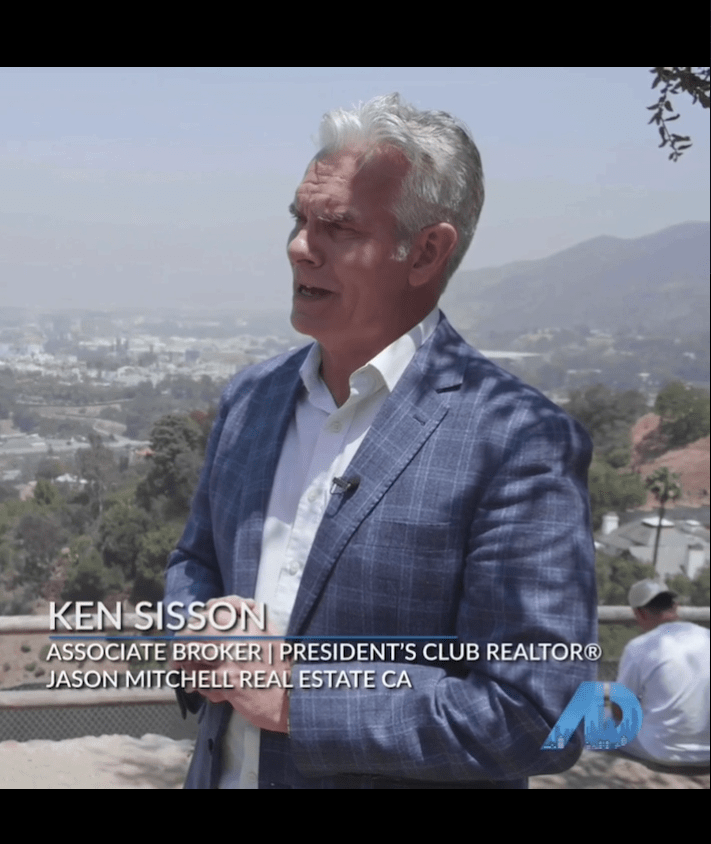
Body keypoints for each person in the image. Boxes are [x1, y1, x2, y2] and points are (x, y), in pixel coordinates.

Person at [165, 94, 597, 788]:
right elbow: (195, 561)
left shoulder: (517, 443)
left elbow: (539, 713)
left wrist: (302, 703)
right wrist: (196, 627)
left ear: (426, 251)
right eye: (299, 220)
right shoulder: (250, 400)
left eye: (336, 227)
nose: (298, 247)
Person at [616, 580, 710, 767]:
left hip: (662, 751)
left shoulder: (639, 647)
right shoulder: (707, 636)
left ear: (639, 613)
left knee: (592, 718)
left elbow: (621, 711)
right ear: (675, 606)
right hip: (707, 753)